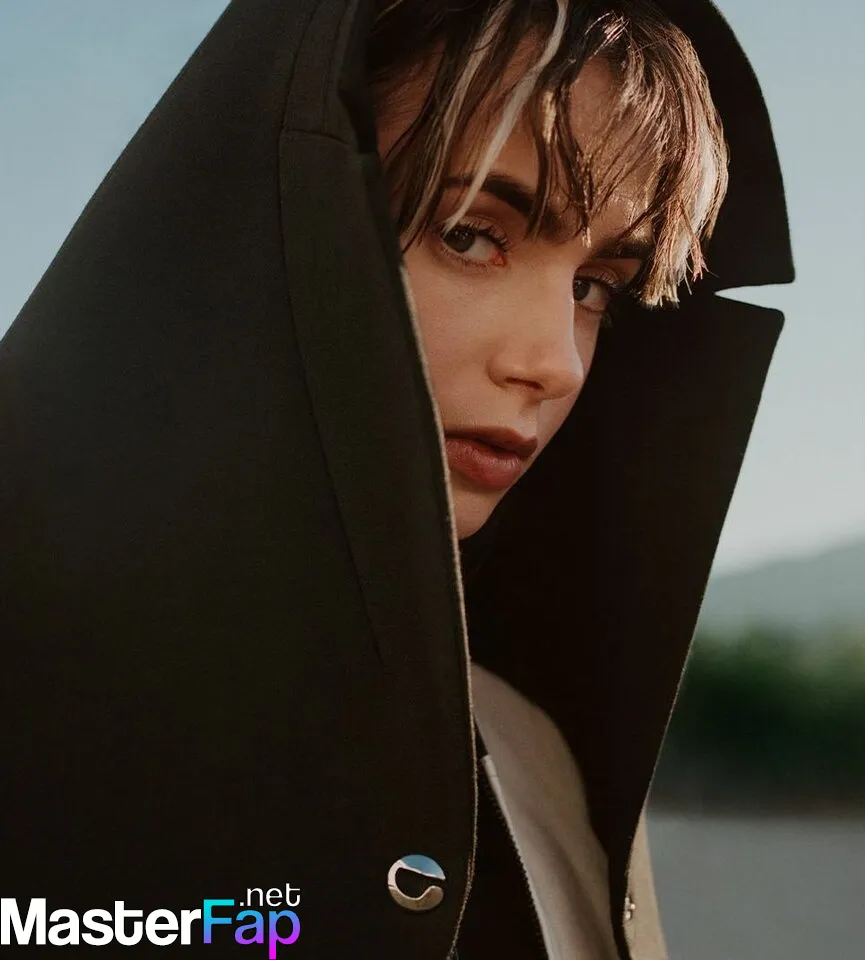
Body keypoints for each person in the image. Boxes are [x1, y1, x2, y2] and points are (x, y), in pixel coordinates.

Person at [0, 1, 793, 958]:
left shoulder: (533, 750)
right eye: (470, 235)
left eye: (594, 288)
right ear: (266, 214)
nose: (555, 363)